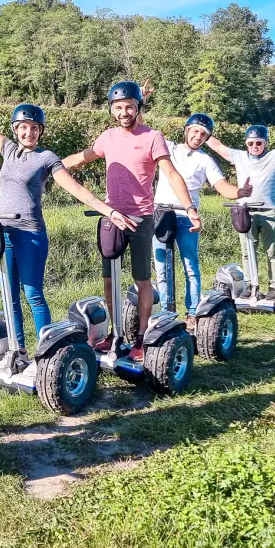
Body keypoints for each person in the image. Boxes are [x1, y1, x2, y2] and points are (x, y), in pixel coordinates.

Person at [0, 55, 136, 354]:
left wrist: (109, 210)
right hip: (2, 232)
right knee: (9, 296)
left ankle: (46, 352)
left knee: (33, 295)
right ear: (16, 129)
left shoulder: (47, 158)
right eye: (23, 127)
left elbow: (76, 188)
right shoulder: (7, 150)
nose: (28, 132)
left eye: (34, 128)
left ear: (40, 131)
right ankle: (18, 351)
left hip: (30, 234)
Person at [63, 80, 202, 361]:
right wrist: (50, 165)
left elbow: (172, 174)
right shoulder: (108, 137)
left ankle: (140, 339)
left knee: (142, 280)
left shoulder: (153, 137)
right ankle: (116, 335)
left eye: (128, 106)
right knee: (109, 280)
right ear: (112, 110)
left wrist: (189, 208)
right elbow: (81, 158)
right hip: (111, 219)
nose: (123, 112)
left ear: (137, 107)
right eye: (118, 107)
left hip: (141, 219)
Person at [151, 110, 252, 325]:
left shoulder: (206, 160)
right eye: (195, 131)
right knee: (161, 268)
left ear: (207, 138)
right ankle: (166, 314)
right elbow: (142, 131)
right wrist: (140, 101)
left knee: (191, 267)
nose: (198, 136)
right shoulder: (168, 148)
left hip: (187, 217)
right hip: (161, 213)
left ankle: (192, 313)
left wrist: (239, 192)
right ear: (187, 130)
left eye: (203, 134)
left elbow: (221, 185)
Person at [206, 118, 275, 297]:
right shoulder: (238, 156)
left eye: (259, 143)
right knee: (247, 251)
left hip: (269, 211)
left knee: (272, 251)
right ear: (246, 143)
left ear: (265, 143)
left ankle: (274, 287)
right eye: (251, 143)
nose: (255, 146)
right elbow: (218, 147)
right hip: (245, 212)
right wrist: (201, 129)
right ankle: (250, 286)